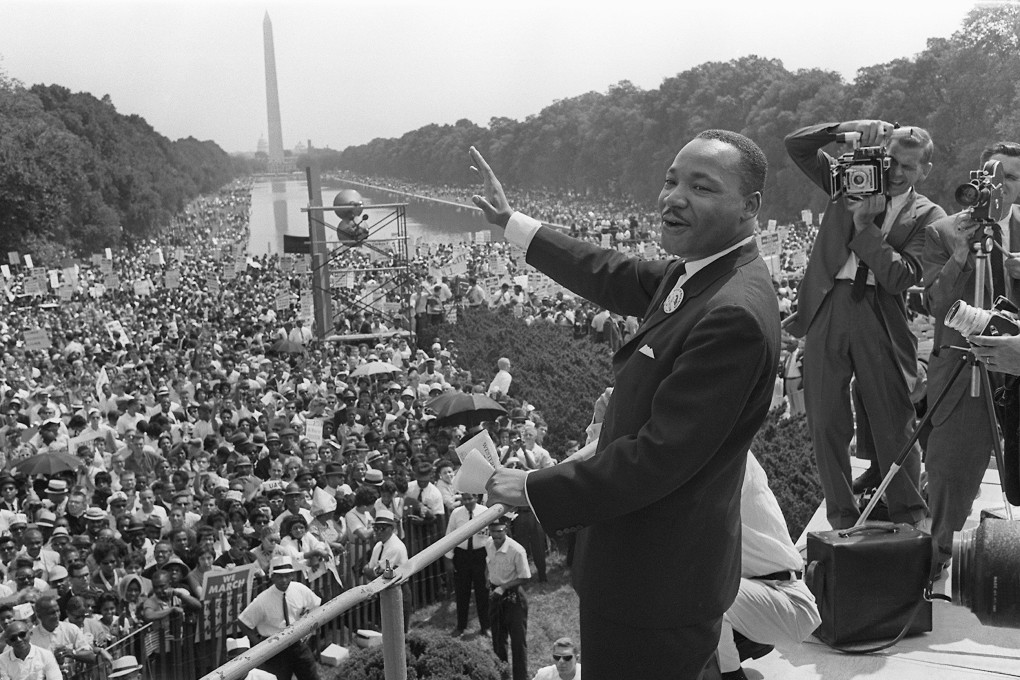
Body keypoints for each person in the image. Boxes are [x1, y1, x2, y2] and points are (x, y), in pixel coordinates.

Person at [472, 128, 780, 680]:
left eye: (701, 186)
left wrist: (536, 487)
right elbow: (608, 271)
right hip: (649, 569)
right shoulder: (701, 273)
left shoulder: (731, 311)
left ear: (749, 207)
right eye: (670, 180)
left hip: (656, 582)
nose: (674, 197)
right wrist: (511, 223)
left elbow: (661, 456)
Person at [784, 119, 943, 530]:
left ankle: (909, 515)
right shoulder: (849, 180)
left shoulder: (929, 215)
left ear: (925, 171)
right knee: (825, 421)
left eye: (908, 167)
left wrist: (863, 228)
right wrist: (846, 128)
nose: (895, 172)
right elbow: (797, 146)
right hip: (828, 306)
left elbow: (901, 277)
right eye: (890, 161)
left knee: (895, 419)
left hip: (880, 312)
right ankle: (841, 516)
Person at [922, 141, 1020, 573]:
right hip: (963, 367)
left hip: (1016, 366)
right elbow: (936, 305)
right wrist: (961, 254)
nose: (1003, 186)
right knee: (951, 470)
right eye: (996, 176)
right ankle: (936, 556)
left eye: (1013, 178)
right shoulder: (943, 231)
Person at [715, 452, 821, 679]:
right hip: (763, 590)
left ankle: (731, 675)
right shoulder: (726, 447)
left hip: (786, 598)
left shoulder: (727, 462)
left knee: (703, 591)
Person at [238, 556, 321, 680]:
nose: (284, 580)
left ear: (292, 575)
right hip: (275, 649)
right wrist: (258, 644)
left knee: (310, 676)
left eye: (287, 576)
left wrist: (309, 629)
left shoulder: (300, 589)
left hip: (298, 643)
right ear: (272, 577)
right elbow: (243, 621)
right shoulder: (262, 600)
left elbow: (316, 606)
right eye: (279, 576)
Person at [484, 515, 530, 680]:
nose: (495, 536)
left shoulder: (516, 550)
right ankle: (502, 675)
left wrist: (504, 587)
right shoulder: (488, 544)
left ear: (507, 529)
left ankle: (520, 677)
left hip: (514, 597)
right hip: (495, 596)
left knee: (518, 642)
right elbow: (489, 563)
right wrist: (488, 579)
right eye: (492, 531)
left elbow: (525, 577)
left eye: (499, 531)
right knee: (498, 639)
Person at [444, 493, 489, 637]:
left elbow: (490, 536)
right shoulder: (456, 514)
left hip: (480, 555)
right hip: (462, 556)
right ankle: (461, 626)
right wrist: (449, 559)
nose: (468, 502)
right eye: (465, 499)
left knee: (483, 592)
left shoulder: (485, 512)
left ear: (476, 498)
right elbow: (449, 536)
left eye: (471, 498)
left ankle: (485, 626)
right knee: (462, 592)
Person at [362, 509, 410, 632]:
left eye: (382, 528)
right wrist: (371, 571)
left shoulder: (395, 547)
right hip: (384, 591)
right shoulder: (379, 546)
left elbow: (377, 574)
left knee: (399, 631)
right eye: (376, 528)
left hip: (399, 591)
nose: (378, 532)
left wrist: (368, 570)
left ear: (392, 528)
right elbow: (373, 570)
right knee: (385, 629)